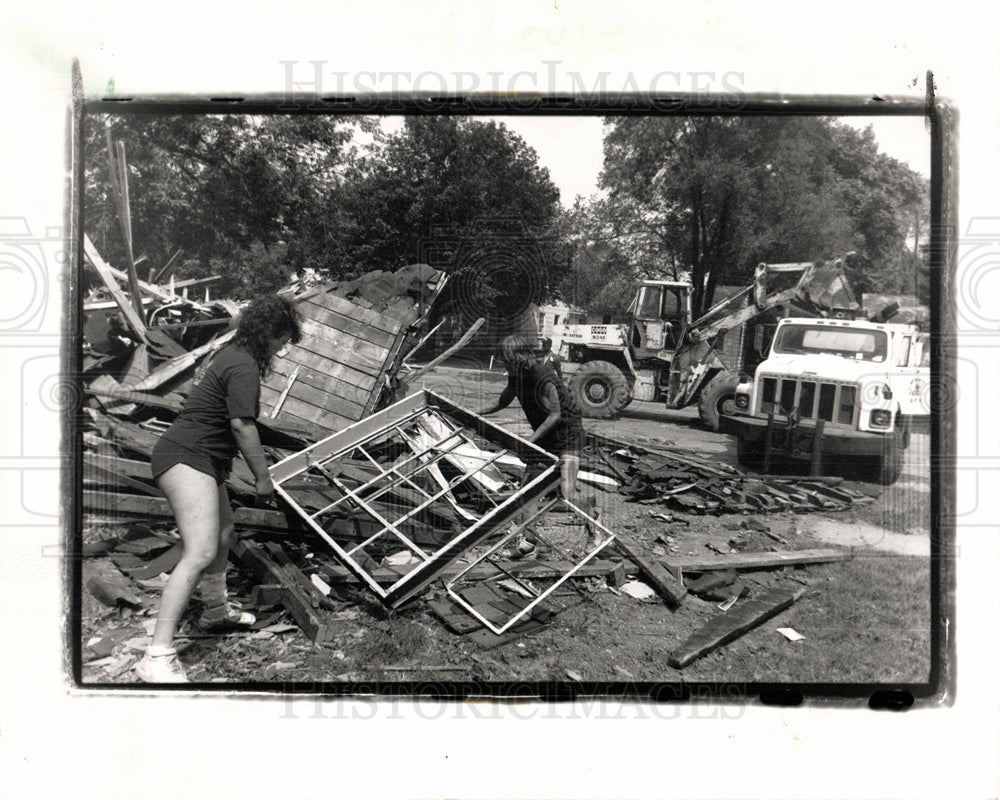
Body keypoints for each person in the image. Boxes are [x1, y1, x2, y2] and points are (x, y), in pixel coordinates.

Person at [135, 295, 301, 683]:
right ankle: (156, 655)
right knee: (200, 550)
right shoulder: (242, 364)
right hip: (186, 457)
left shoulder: (233, 353)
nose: (283, 347)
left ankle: (215, 611)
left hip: (201, 460)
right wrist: (263, 479)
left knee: (223, 532)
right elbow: (242, 426)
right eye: (282, 340)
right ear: (268, 334)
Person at [479, 334, 600, 559]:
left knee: (567, 490)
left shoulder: (542, 376)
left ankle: (594, 524)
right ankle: (528, 543)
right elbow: (501, 401)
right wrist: (475, 413)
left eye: (509, 361)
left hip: (567, 434)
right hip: (544, 435)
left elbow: (555, 415)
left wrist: (530, 439)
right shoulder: (516, 376)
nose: (506, 366)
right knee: (528, 493)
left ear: (522, 357)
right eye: (504, 362)